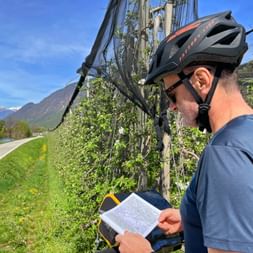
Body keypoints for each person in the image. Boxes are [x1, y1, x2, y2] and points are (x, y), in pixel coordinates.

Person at [115, 11, 253, 253]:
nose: (172, 106)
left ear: (201, 80)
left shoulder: (224, 155)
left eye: (172, 93)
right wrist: (190, 218)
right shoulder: (245, 134)